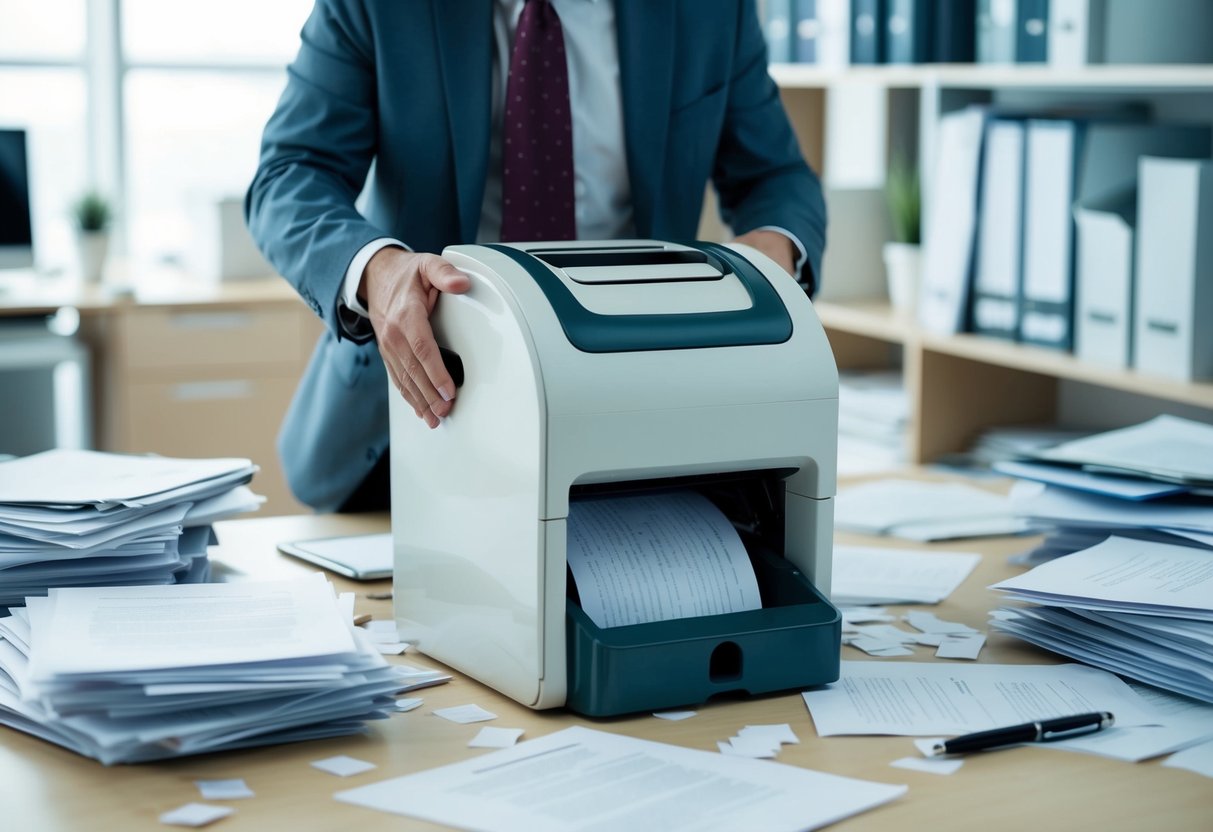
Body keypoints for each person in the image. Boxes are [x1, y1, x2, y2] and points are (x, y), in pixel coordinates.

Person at [246, 0, 827, 513]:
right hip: (418, 416)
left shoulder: (709, 11)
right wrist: (378, 269)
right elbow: (289, 175)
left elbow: (776, 177)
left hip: (636, 419)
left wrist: (771, 251)